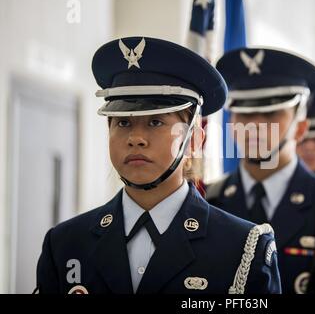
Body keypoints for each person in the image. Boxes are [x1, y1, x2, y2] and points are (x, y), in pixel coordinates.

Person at [34, 37, 281, 294]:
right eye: (123, 123)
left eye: (155, 122)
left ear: (194, 140)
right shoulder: (65, 244)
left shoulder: (242, 248)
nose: (135, 139)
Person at [207, 48, 315, 294]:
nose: (255, 125)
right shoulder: (208, 199)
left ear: (300, 128)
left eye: (270, 113)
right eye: (244, 113)